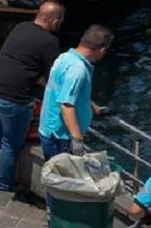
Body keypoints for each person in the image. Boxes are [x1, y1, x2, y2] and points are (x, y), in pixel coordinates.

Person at [0, 0, 65, 195]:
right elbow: (54, 75)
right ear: (55, 21)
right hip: (16, 98)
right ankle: (4, 185)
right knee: (11, 143)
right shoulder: (49, 41)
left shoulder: (21, 27)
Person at [38, 24, 114, 160]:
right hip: (60, 137)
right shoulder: (78, 70)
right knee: (63, 180)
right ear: (103, 50)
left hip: (49, 128)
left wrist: (91, 106)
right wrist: (77, 139)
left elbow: (63, 91)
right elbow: (66, 105)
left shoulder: (65, 57)